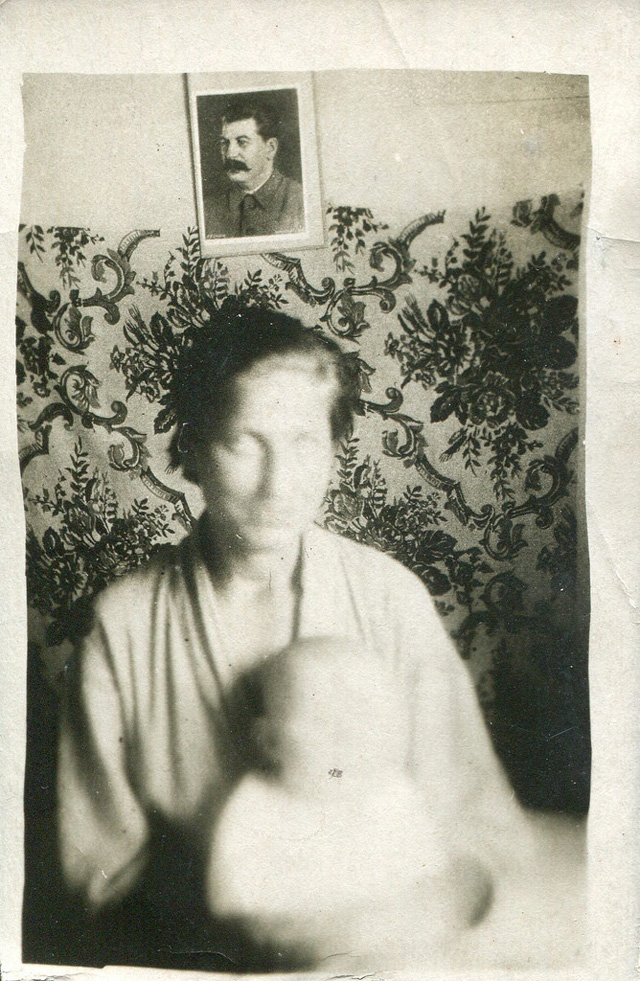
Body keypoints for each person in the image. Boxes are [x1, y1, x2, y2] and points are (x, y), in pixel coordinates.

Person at [57, 303, 534, 971]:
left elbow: (477, 833)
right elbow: (101, 875)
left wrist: (378, 928)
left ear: (334, 452)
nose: (278, 484)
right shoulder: (125, 622)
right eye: (245, 442)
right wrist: (255, 938)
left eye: (305, 442)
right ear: (191, 449)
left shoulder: (389, 598)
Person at [203, 96, 305, 240]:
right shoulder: (207, 211)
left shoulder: (302, 202)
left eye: (242, 142)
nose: (230, 154)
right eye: (225, 143)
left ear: (270, 148)